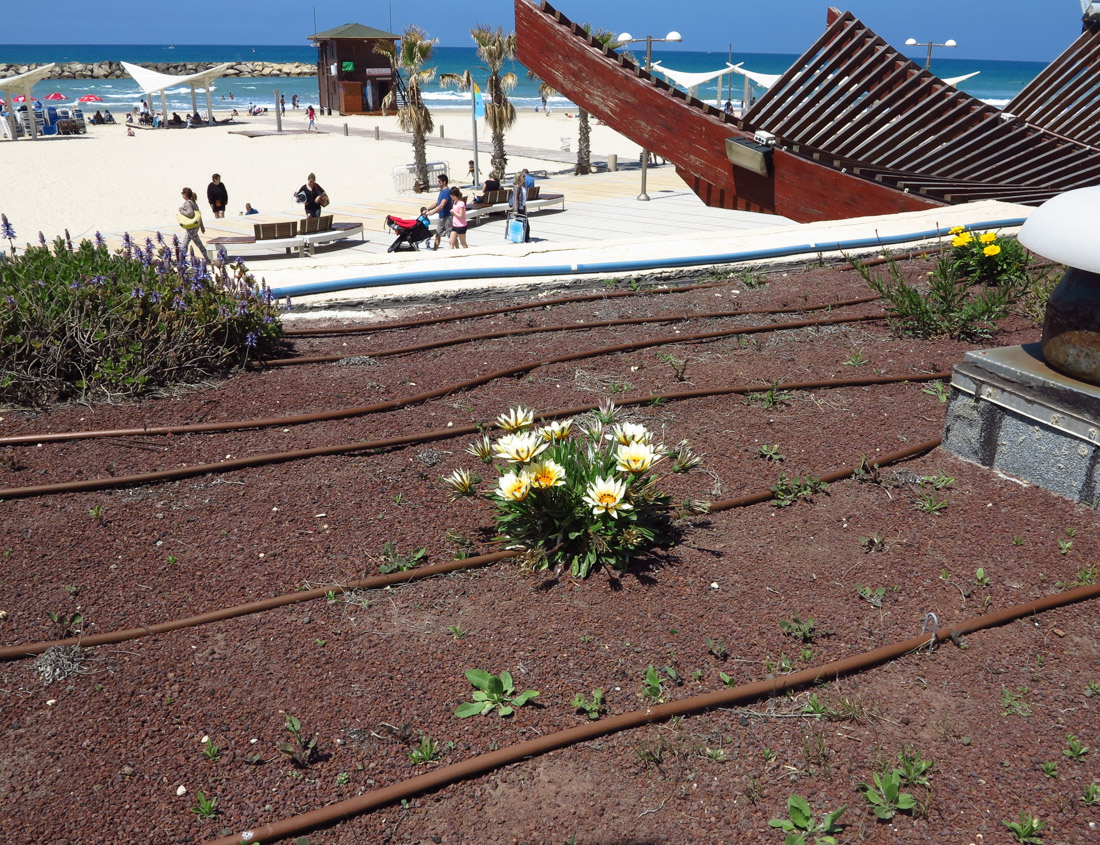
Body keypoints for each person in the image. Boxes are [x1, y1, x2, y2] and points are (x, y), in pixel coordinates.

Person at [178, 187, 210, 262]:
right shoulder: (193, 202)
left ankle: (181, 261)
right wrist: (202, 226)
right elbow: (198, 215)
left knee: (188, 244)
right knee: (192, 243)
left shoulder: (187, 203)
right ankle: (207, 258)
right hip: (195, 226)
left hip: (191, 227)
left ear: (185, 194)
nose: (182, 195)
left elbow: (191, 213)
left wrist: (181, 211)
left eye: (182, 193)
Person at [422, 173, 453, 250]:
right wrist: (427, 209)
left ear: (444, 182)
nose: (438, 183)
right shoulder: (442, 191)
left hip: (447, 217)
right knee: (437, 234)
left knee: (451, 236)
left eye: (439, 181)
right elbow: (436, 203)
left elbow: (442, 205)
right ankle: (435, 250)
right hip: (441, 217)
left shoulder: (447, 191)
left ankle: (455, 250)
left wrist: (432, 213)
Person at [508, 172, 530, 243]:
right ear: (519, 178)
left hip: (523, 207)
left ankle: (523, 238)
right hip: (519, 208)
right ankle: (523, 239)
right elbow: (515, 199)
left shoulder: (524, 186)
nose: (524, 178)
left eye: (524, 176)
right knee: (523, 223)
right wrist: (515, 210)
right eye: (523, 176)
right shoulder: (517, 187)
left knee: (524, 223)